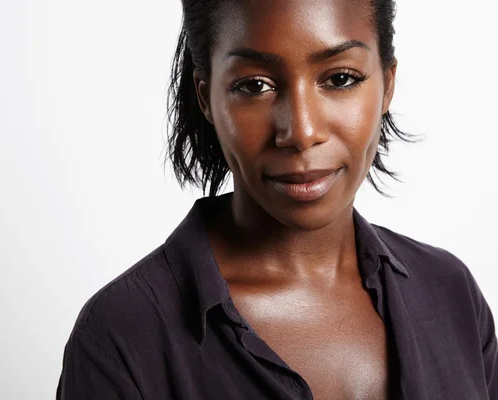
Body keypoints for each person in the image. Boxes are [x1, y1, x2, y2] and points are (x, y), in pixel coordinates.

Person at [57, 0, 497, 399]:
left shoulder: (452, 294)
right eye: (254, 86)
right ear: (206, 97)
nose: (302, 131)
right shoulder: (121, 339)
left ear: (387, 85)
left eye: (341, 78)